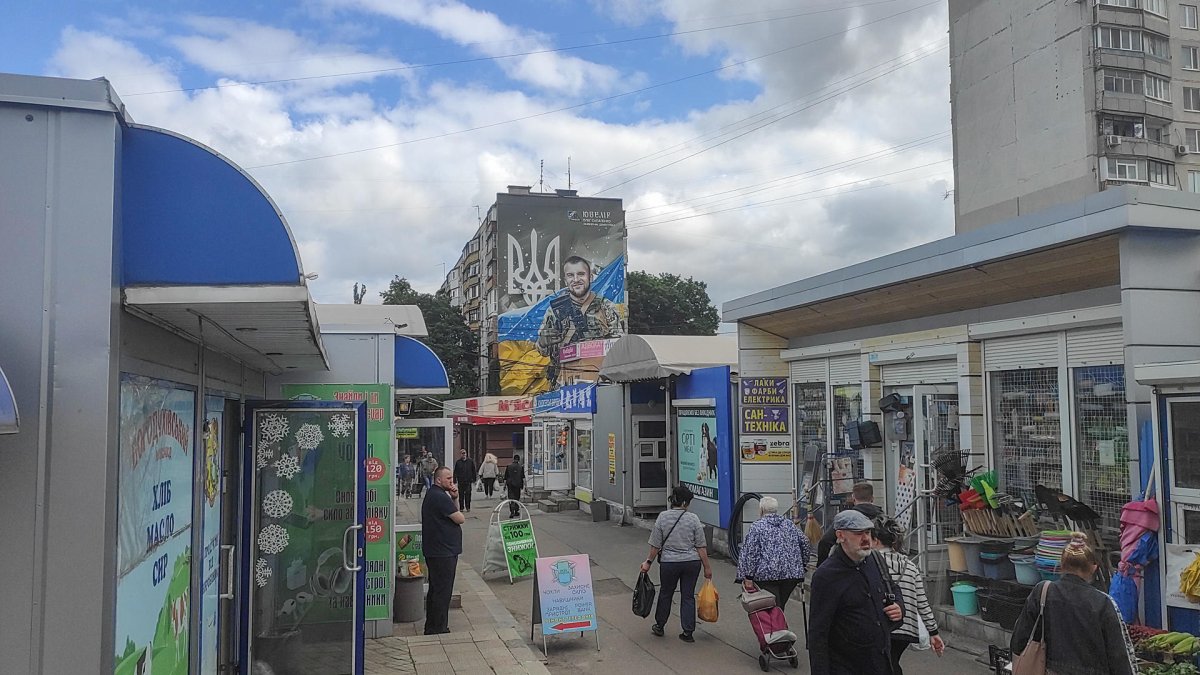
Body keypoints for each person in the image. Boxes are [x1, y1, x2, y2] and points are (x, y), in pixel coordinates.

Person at [1010, 532, 1137, 675]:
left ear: (1061, 564)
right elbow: (1118, 655)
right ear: (1093, 567)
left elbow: (1019, 640)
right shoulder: (1103, 602)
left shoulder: (1042, 592)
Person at [808, 509, 904, 675]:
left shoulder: (875, 560)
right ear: (841, 536)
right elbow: (818, 633)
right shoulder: (826, 575)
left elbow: (893, 588)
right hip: (847, 666)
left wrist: (899, 607)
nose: (866, 538)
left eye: (868, 532)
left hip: (881, 663)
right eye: (858, 533)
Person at [871, 516, 945, 674]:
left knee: (883, 665)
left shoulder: (871, 563)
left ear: (876, 541)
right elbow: (922, 603)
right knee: (891, 662)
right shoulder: (910, 566)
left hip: (882, 626)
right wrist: (934, 632)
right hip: (906, 630)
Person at [639, 485, 712, 643]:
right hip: (692, 563)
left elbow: (655, 545)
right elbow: (701, 546)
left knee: (666, 593)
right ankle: (688, 632)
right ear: (685, 502)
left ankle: (660, 625)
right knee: (688, 596)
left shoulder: (663, 517)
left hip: (669, 563)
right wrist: (707, 567)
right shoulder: (693, 519)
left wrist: (648, 562)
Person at [535, 256, 625, 381]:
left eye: (581, 274)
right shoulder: (554, 311)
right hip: (564, 382)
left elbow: (619, 346)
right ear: (565, 280)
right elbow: (543, 351)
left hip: (600, 380)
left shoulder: (606, 307)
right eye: (570, 275)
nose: (576, 279)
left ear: (591, 277)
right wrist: (543, 342)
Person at [736, 496, 811, 610]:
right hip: (791, 574)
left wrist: (748, 577)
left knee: (772, 608)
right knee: (779, 606)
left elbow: (752, 553)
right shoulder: (788, 524)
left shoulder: (757, 527)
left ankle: (776, 626)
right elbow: (805, 541)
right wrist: (803, 564)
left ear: (761, 510)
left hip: (767, 575)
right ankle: (779, 625)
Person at [421, 466, 464, 635]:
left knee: (437, 589)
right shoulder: (438, 496)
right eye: (448, 478)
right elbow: (460, 518)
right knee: (442, 591)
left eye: (452, 478)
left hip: (439, 550)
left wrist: (454, 497)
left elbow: (454, 511)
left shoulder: (438, 495)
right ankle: (438, 628)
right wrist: (452, 500)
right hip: (442, 552)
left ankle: (432, 626)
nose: (451, 481)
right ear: (438, 480)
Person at [816, 481, 883, 566]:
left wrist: (822, 565)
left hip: (852, 563)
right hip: (880, 563)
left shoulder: (846, 519)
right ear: (872, 498)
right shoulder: (884, 518)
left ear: (853, 498)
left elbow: (825, 541)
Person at [503, 454, 525, 518]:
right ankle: (516, 511)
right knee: (517, 498)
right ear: (519, 460)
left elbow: (505, 477)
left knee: (511, 498)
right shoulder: (521, 467)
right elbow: (523, 477)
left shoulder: (509, 466)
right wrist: (525, 486)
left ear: (513, 459)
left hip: (510, 485)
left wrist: (504, 486)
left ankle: (512, 511)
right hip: (518, 485)